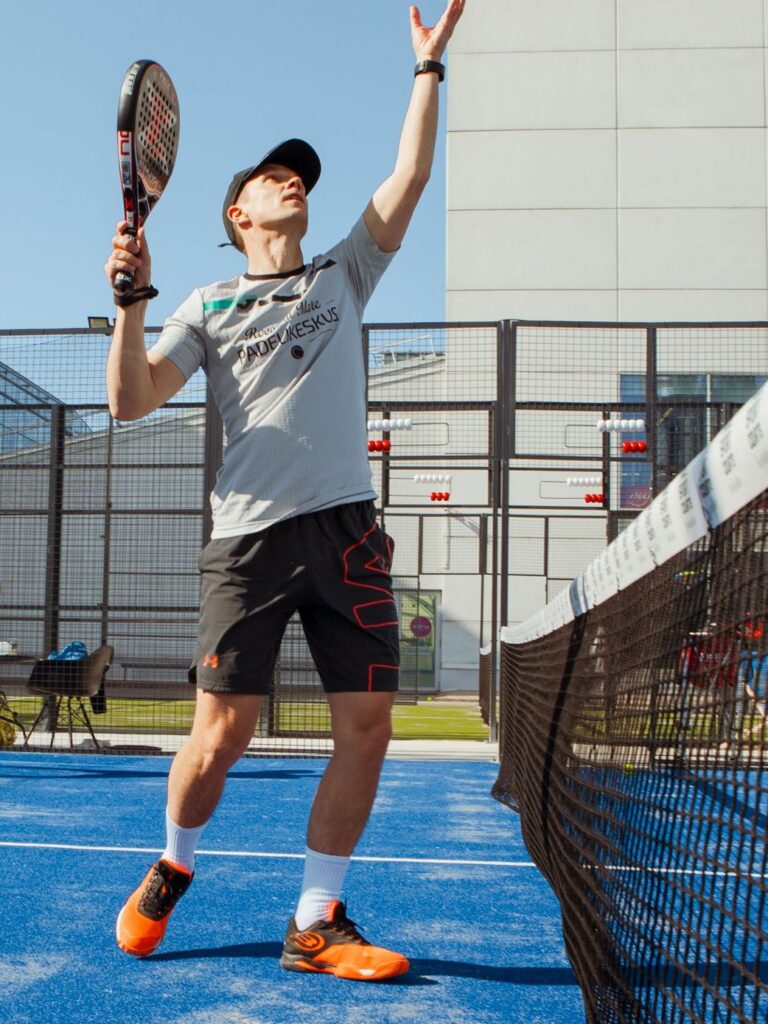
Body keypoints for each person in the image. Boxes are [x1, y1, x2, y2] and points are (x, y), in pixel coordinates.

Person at [104, 0, 466, 982]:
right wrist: (129, 305)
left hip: (348, 534)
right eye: (273, 176)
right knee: (219, 736)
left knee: (368, 729)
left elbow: (409, 176)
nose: (292, 180)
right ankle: (175, 863)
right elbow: (132, 401)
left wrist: (427, 69)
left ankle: (314, 923)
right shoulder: (207, 302)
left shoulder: (345, 272)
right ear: (239, 214)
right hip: (250, 542)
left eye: (300, 175)